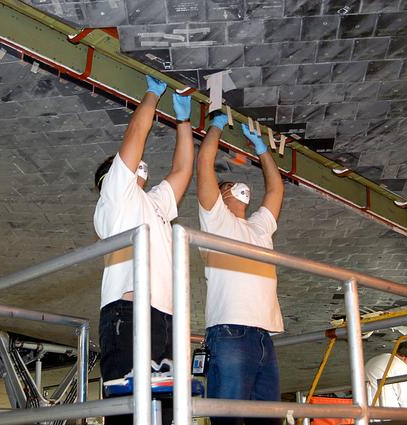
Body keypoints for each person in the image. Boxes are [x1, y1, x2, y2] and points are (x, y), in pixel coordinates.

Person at [93, 75, 194, 424]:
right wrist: (152, 94)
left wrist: (184, 122)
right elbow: (135, 135)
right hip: (128, 312)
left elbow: (182, 170)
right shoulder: (115, 195)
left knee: (165, 414)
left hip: (163, 317)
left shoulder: (156, 203)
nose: (140, 165)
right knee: (130, 413)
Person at [197, 113, 285, 425]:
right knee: (229, 418)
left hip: (263, 336)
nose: (239, 185)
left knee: (268, 419)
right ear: (220, 196)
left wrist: (264, 151)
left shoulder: (259, 227)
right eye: (230, 184)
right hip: (230, 331)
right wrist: (217, 127)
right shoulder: (216, 221)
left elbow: (275, 191)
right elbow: (203, 167)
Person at [365, 341, 407, 408]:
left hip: (365, 409)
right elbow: (406, 401)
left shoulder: (374, 359)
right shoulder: (401, 367)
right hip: (386, 413)